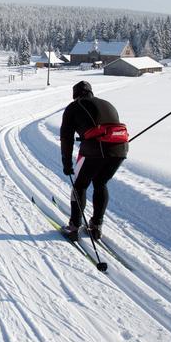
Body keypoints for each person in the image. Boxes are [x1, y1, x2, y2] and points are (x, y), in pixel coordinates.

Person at [60, 80, 128, 241]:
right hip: (119, 150)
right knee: (100, 183)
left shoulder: (73, 107)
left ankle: (74, 227)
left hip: (94, 150)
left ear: (74, 94)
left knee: (80, 185)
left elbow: (66, 138)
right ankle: (96, 226)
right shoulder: (107, 103)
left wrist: (67, 164)